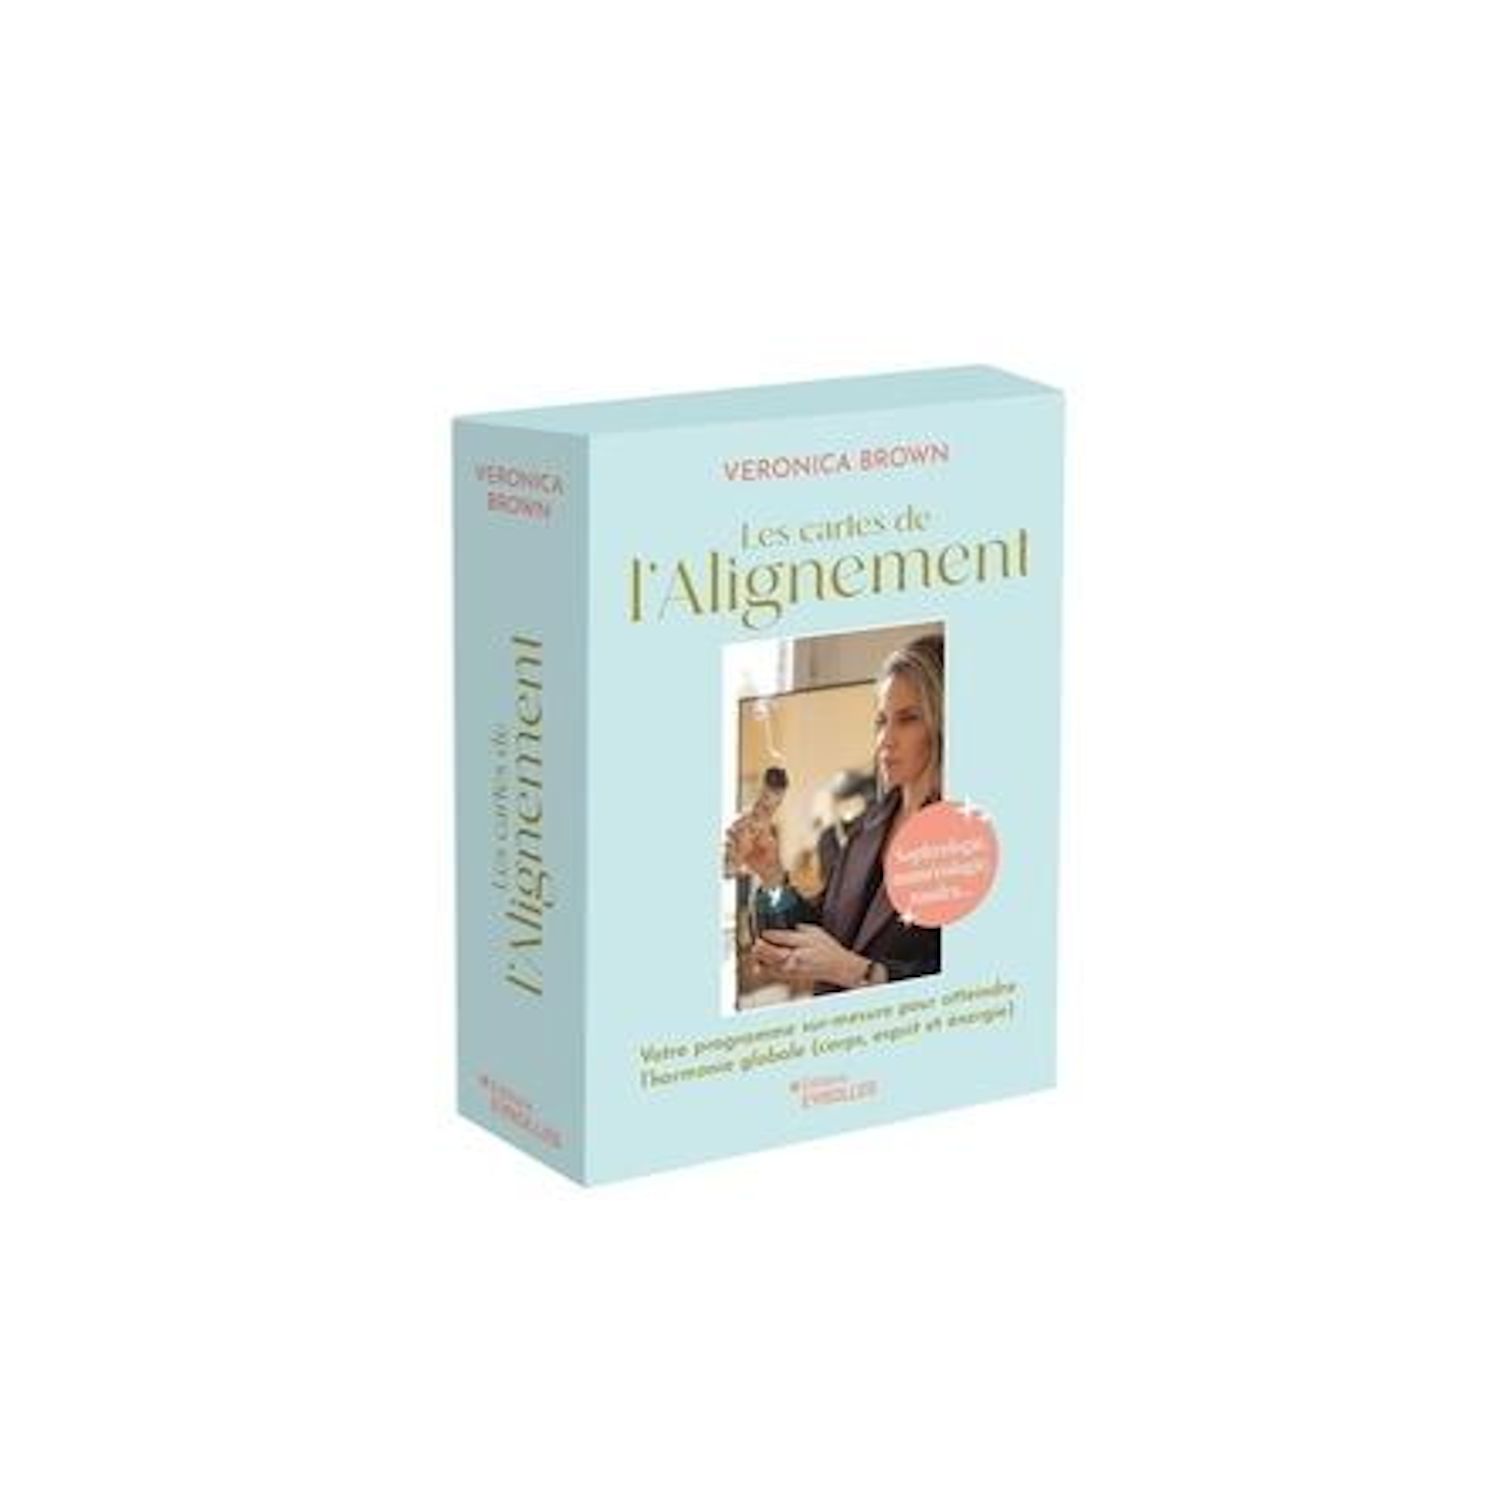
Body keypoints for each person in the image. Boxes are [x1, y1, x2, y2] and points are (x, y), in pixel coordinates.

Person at [723, 634, 944, 995]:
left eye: (908, 719)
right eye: (881, 721)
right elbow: (823, 932)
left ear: (943, 723)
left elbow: (965, 978)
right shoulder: (865, 829)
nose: (885, 740)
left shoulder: (967, 842)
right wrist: (772, 874)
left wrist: (855, 971)